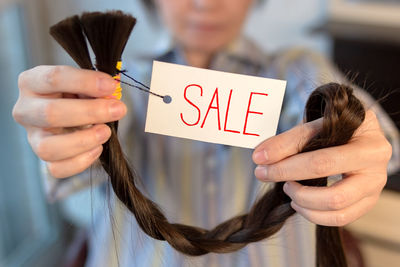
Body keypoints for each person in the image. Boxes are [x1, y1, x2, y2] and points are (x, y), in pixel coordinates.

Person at [12, 0, 399, 266]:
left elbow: (361, 123)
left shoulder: (295, 68)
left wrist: (359, 140)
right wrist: (59, 133)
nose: (205, 2)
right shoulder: (116, 83)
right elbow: (71, 174)